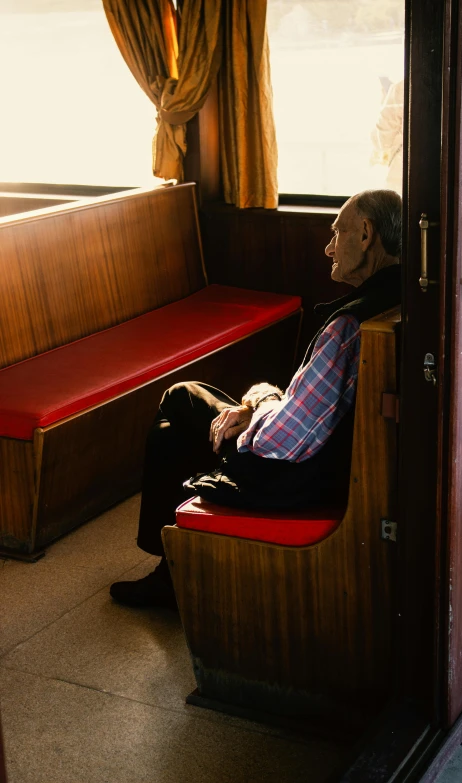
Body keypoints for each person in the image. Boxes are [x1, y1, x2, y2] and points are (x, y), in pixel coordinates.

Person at [110, 189, 402, 608]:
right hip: (337, 460)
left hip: (297, 478)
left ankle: (170, 571)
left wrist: (260, 400)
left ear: (367, 234)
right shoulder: (400, 297)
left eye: (337, 232)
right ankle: (174, 566)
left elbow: (277, 441)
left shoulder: (349, 326)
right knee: (193, 418)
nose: (328, 247)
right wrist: (256, 409)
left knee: (180, 399)